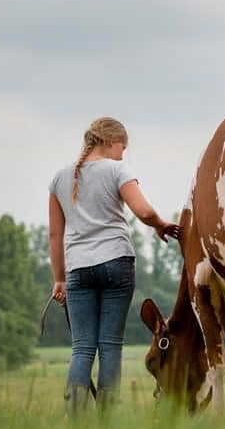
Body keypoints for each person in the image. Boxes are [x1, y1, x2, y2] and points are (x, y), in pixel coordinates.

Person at [48, 116, 180, 411]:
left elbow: (55, 235)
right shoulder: (117, 169)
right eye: (123, 146)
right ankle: (108, 421)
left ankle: (75, 419)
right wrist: (160, 224)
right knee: (109, 345)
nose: (123, 153)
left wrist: (59, 279)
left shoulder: (59, 178)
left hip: (78, 269)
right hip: (116, 263)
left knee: (82, 347)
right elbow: (143, 211)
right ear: (110, 141)